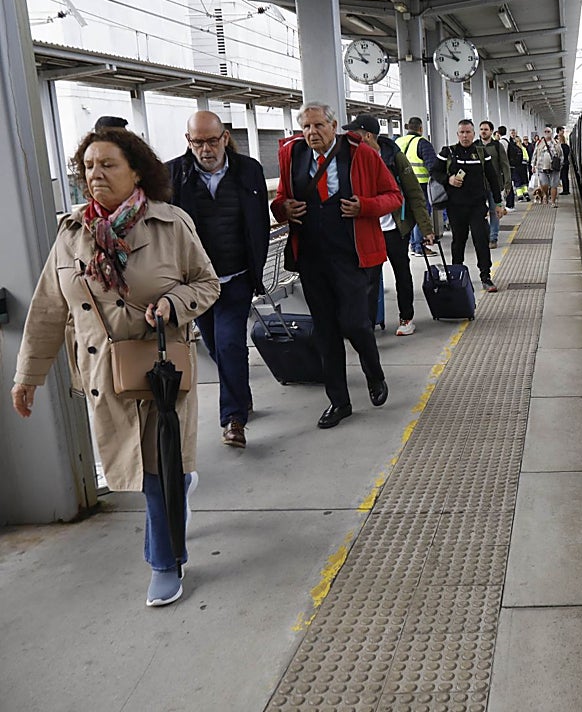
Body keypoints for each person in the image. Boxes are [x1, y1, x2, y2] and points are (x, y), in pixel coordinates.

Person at [12, 127, 220, 607]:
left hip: (161, 367)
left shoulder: (172, 225)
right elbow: (48, 307)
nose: (96, 174)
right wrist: (27, 376)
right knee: (154, 471)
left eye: (108, 164)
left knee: (156, 473)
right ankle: (183, 489)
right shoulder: (71, 236)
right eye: (89, 166)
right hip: (105, 375)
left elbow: (208, 285)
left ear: (136, 170)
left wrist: (174, 302)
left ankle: (165, 564)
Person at [271, 102, 401, 429]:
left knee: (356, 323)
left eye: (318, 126)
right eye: (306, 128)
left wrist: (365, 207)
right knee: (325, 331)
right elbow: (281, 200)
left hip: (352, 255)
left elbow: (393, 195)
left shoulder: (362, 154)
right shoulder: (292, 156)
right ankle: (339, 402)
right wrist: (284, 207)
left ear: (334, 125)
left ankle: (374, 374)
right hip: (312, 257)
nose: (311, 133)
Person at [167, 111, 269, 449]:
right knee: (214, 347)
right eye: (198, 142)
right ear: (188, 141)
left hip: (236, 277)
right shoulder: (173, 175)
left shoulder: (249, 170)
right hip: (195, 283)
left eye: (212, 140)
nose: (206, 149)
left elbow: (259, 224)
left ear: (225, 137)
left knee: (229, 344)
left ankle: (234, 419)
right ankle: (243, 395)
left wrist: (257, 269)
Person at [345, 115, 435, 337]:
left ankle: (406, 317)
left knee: (401, 271)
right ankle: (366, 326)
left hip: (395, 227)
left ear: (367, 136)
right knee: (369, 279)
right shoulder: (350, 158)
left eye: (355, 134)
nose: (350, 138)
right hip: (368, 229)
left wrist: (426, 229)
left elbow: (414, 193)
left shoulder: (394, 156)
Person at [429, 119, 505, 293]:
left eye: (468, 132)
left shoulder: (481, 153)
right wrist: (447, 179)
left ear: (474, 134)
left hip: (478, 206)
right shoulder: (448, 152)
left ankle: (485, 276)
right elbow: (434, 171)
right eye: (462, 132)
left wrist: (498, 203)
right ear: (457, 134)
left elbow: (493, 179)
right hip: (456, 207)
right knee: (458, 241)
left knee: (481, 240)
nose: (465, 136)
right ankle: (457, 274)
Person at [397, 116, 440, 250]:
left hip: (399, 185)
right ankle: (418, 245)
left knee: (406, 214)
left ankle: (412, 244)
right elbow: (432, 166)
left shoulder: (398, 141)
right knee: (421, 213)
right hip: (420, 184)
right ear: (421, 128)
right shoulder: (422, 143)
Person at [477, 121, 509, 248]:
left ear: (491, 131)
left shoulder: (497, 146)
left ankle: (493, 238)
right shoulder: (475, 146)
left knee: (494, 211)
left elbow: (505, 165)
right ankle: (482, 234)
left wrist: (507, 183)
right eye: (481, 129)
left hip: (494, 185)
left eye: (486, 129)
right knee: (478, 212)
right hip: (478, 186)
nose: (483, 131)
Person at [532, 126, 563, 208]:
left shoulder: (556, 143)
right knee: (544, 183)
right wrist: (533, 165)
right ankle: (545, 194)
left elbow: (561, 154)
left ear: (551, 133)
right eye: (545, 131)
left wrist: (560, 164)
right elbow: (534, 155)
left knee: (554, 185)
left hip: (554, 167)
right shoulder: (539, 143)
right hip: (541, 167)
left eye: (548, 131)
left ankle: (553, 202)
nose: (547, 133)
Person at [556, 127, 572, 195]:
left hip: (563, 163)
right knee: (566, 177)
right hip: (566, 162)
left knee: (563, 177)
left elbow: (559, 155)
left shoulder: (560, 147)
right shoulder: (567, 146)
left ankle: (565, 191)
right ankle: (566, 189)